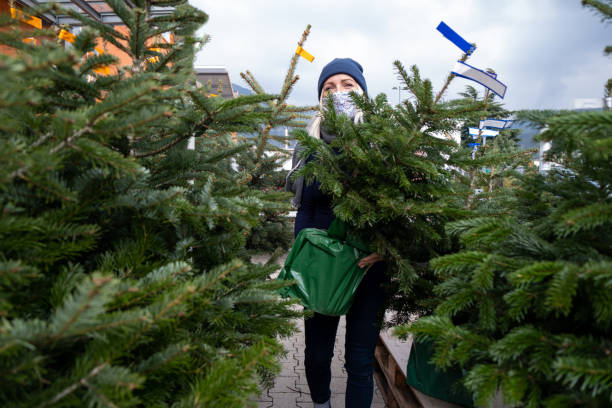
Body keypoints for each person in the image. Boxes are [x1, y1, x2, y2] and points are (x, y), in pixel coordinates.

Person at [285, 58, 387, 408]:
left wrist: (385, 248)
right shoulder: (308, 144)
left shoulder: (381, 140)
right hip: (323, 268)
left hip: (367, 267)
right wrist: (303, 255)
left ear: (362, 92)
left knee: (359, 359)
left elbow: (399, 209)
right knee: (315, 354)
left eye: (347, 85)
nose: (338, 92)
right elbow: (305, 208)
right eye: (329, 87)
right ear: (320, 98)